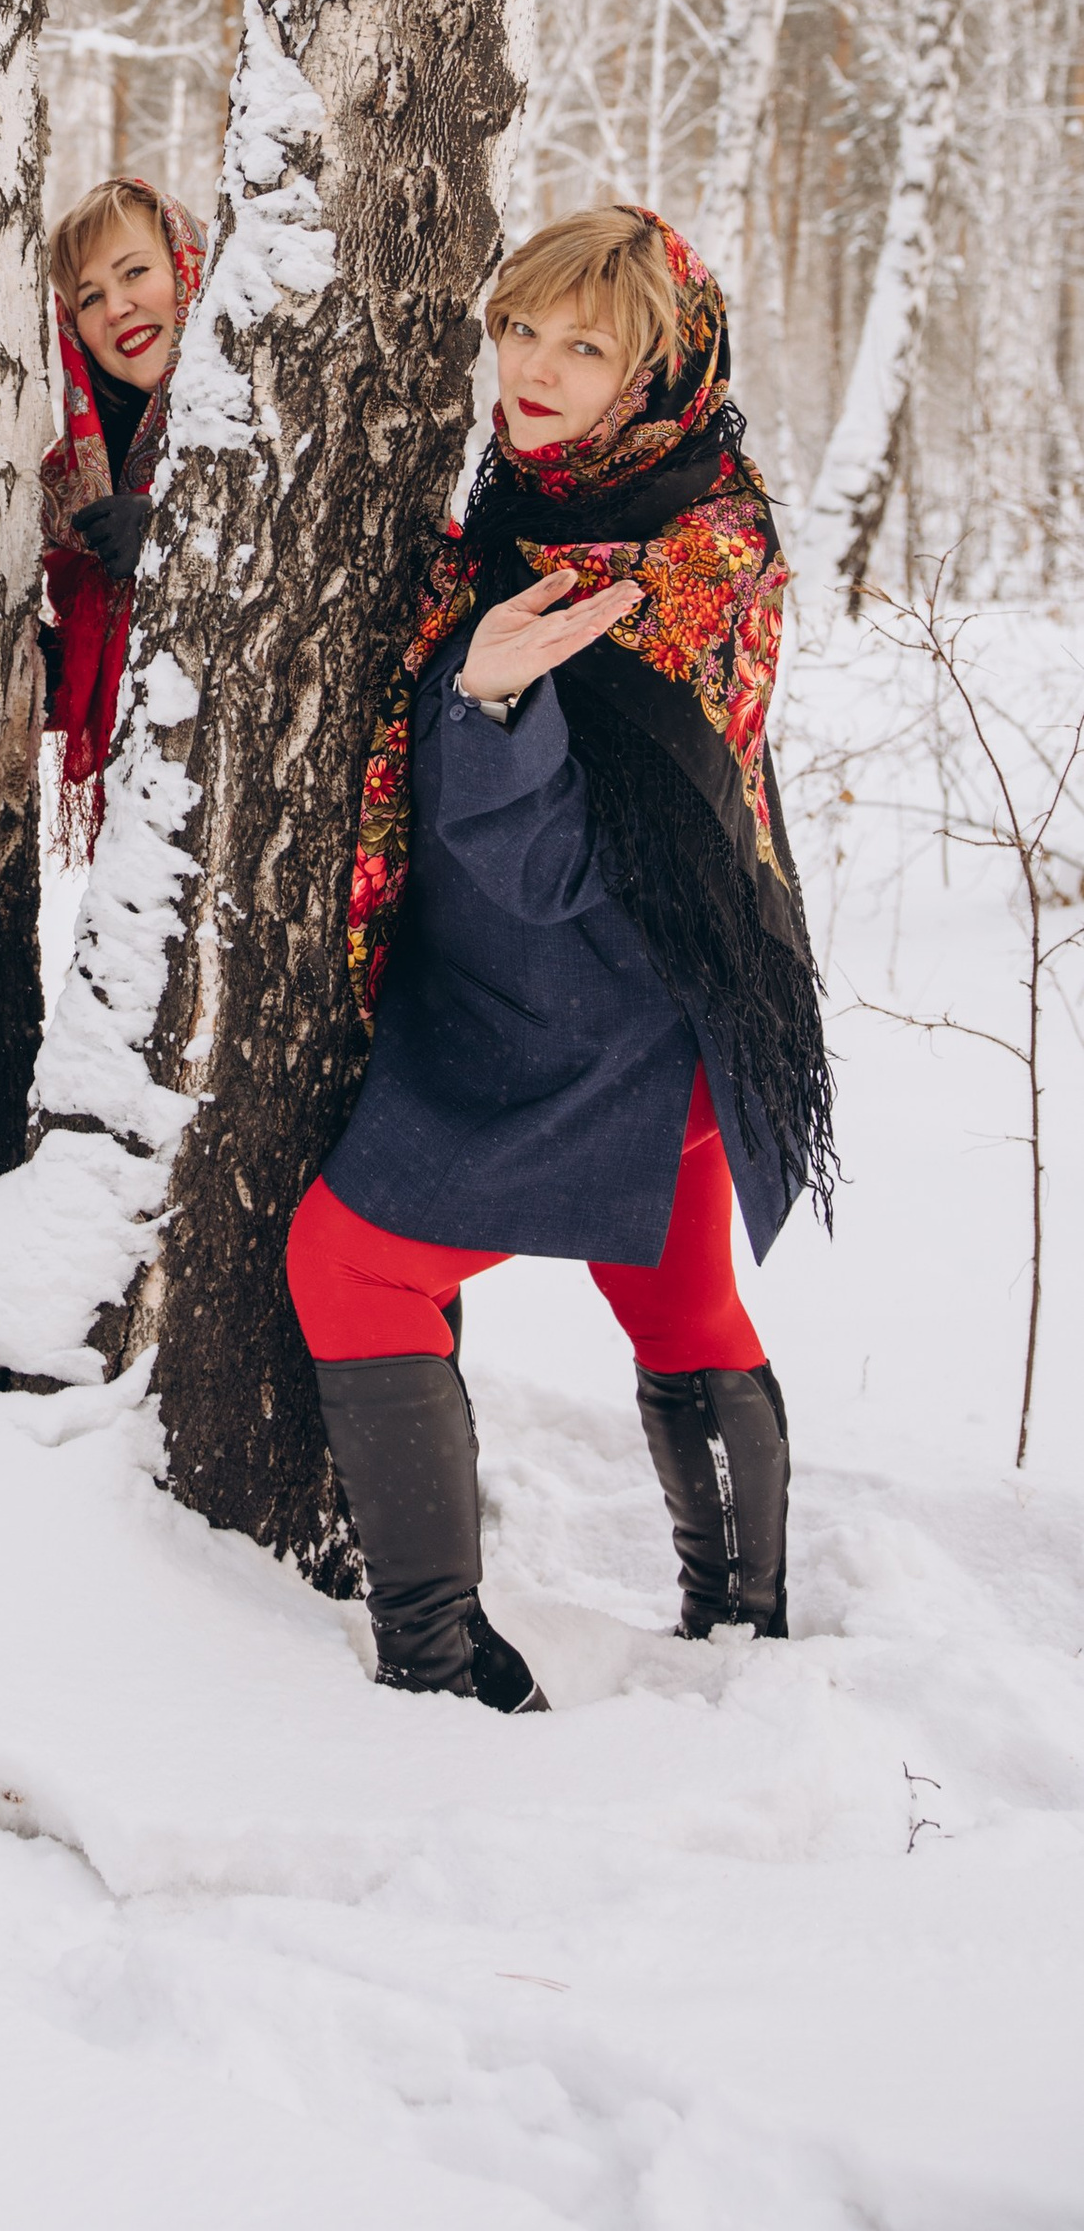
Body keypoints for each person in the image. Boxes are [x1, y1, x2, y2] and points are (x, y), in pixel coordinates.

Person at [287, 204, 837, 1711]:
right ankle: (742, 1634)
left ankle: (441, 1657)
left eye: (584, 346)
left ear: (658, 368)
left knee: (350, 1264)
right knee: (673, 1292)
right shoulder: (556, 501)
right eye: (519, 328)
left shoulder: (680, 565)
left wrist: (490, 705)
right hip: (657, 1009)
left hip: (601, 1014)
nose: (531, 370)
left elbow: (557, 871)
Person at [38, 174, 207, 851]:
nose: (117, 307)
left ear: (190, 270)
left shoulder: (274, 426)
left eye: (136, 271)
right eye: (90, 297)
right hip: (140, 844)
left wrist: (177, 531)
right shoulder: (73, 478)